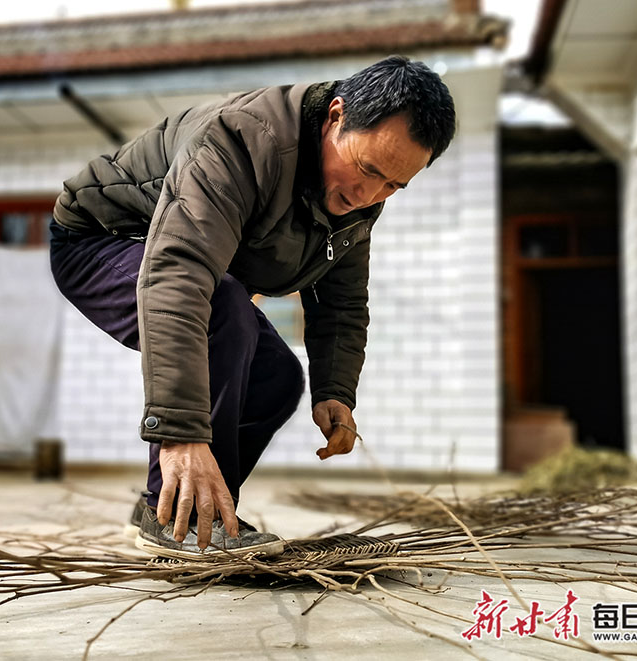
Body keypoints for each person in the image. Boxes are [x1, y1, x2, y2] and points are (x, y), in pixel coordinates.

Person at [49, 55, 455, 559]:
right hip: (101, 240)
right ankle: (190, 520)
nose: (367, 195)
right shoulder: (242, 141)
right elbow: (179, 274)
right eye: (367, 169)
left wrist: (336, 390)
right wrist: (179, 434)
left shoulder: (362, 201)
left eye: (393, 185)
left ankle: (168, 511)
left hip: (196, 270)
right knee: (224, 309)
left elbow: (342, 299)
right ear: (335, 116)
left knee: (276, 379)